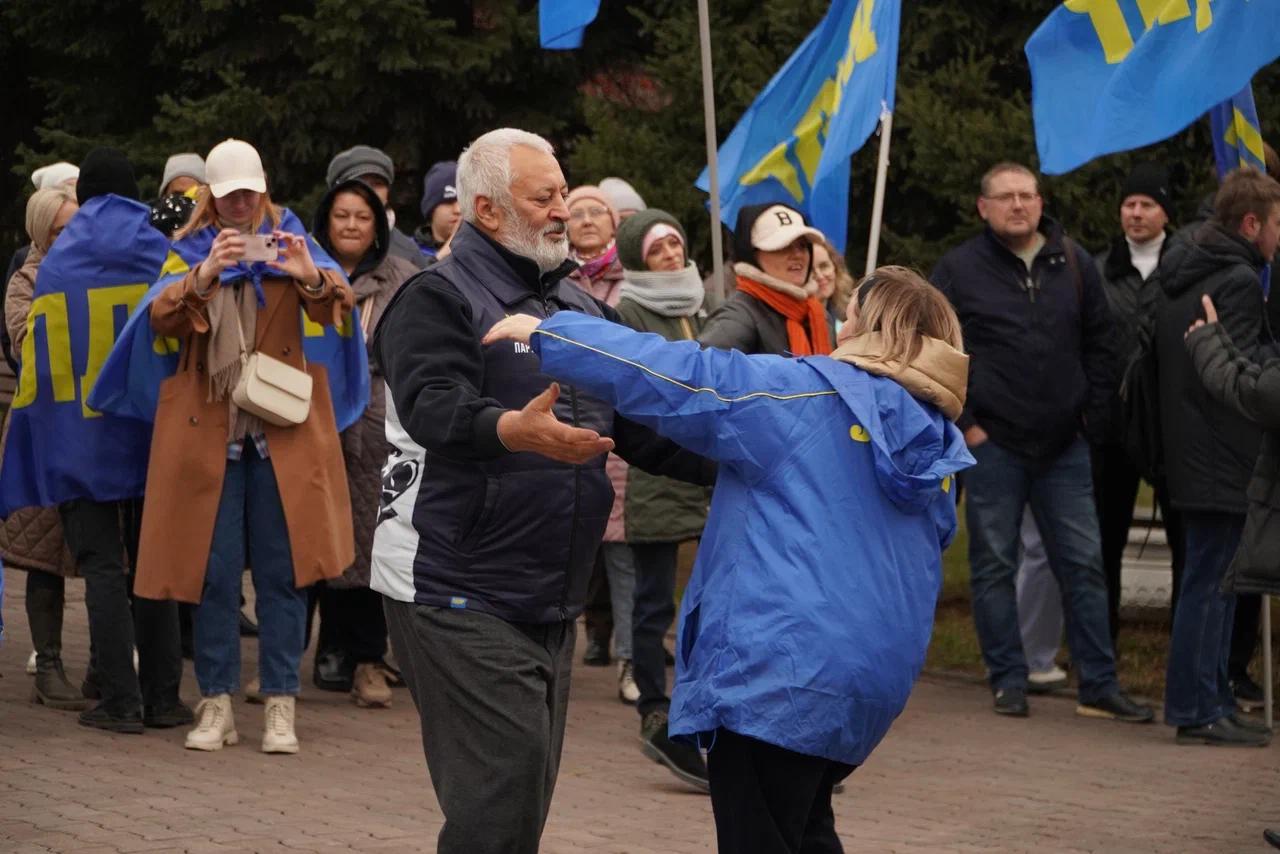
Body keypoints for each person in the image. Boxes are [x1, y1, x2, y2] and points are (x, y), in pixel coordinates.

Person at [483, 265, 974, 854]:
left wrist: (553, 333)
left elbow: (684, 375)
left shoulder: (804, 395)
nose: (838, 326)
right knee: (805, 828)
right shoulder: (942, 445)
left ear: (867, 328)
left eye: (850, 315)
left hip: (776, 671)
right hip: (867, 683)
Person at [369, 127, 712, 854]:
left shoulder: (583, 310)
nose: (564, 210)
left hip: (548, 593)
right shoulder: (435, 296)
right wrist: (509, 430)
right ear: (487, 210)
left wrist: (745, 462)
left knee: (516, 809)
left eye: (564, 192)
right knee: (499, 805)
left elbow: (645, 425)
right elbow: (434, 406)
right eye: (545, 197)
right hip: (453, 586)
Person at [132, 138, 356, 754]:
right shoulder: (187, 250)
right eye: (229, 194)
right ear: (211, 193)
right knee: (215, 577)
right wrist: (206, 273)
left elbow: (339, 309)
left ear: (262, 188)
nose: (240, 205)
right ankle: (217, 703)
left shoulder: (292, 241)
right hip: (213, 435)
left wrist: (309, 275)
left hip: (280, 433)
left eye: (248, 192)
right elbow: (158, 319)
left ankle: (280, 703)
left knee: (285, 576)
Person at [932, 161, 1151, 721]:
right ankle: (1008, 678)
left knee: (1083, 565)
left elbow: (1103, 344)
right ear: (983, 207)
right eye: (1005, 197)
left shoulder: (1073, 262)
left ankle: (1099, 684)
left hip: (1065, 446)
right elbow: (935, 351)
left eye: (1027, 195)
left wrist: (1089, 419)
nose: (1018, 206)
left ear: (1039, 200)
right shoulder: (958, 270)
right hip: (992, 444)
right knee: (993, 565)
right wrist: (967, 426)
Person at [14, 148, 188, 734]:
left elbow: (37, 357)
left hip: (81, 435)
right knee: (153, 560)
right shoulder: (158, 251)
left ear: (83, 195)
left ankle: (119, 699)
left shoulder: (60, 263)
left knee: (103, 567)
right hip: (149, 429)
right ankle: (164, 697)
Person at [1154, 166, 1280, 746]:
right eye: (1278, 223)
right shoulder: (1234, 277)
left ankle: (1212, 699)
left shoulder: (1194, 264)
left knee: (1210, 579)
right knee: (1211, 583)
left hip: (1195, 448)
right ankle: (1197, 706)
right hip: (1223, 452)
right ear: (1252, 223)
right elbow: (1241, 374)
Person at [612, 208, 712, 788]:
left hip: (709, 467)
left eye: (675, 244)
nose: (671, 256)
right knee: (653, 599)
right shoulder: (630, 310)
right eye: (657, 250)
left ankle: (706, 706)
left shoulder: (703, 303)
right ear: (637, 260)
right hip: (659, 467)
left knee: (712, 591)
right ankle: (655, 705)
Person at [309, 177, 417, 707]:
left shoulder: (403, 279)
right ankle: (313, 654)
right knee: (312, 536)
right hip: (311, 415)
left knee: (374, 545)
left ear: (377, 225)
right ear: (326, 220)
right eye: (342, 215)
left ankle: (370, 661)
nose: (351, 225)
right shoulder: (303, 269)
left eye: (362, 216)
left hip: (377, 425)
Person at [1092, 163, 1185, 646]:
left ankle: (1186, 641)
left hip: (1172, 426)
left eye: (1147, 204)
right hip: (1111, 426)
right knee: (1104, 539)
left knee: (1185, 540)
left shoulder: (1186, 269)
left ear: (1165, 212)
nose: (1136, 213)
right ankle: (1101, 643)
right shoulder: (1097, 269)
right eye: (1129, 204)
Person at [0, 186, 84, 710]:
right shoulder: (24, 282)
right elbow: (29, 347)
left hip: (90, 429)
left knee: (103, 553)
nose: (71, 238)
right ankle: (48, 665)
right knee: (44, 555)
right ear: (39, 234)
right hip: (40, 432)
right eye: (60, 231)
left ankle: (107, 665)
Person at [565, 184, 633, 673]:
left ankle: (631, 655)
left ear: (614, 224)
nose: (587, 219)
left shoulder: (632, 281)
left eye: (597, 212)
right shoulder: (554, 279)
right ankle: (578, 638)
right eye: (577, 212)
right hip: (566, 420)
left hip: (621, 426)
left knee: (625, 556)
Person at [699, 203, 832, 358]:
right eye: (783, 245)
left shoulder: (817, 314)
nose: (797, 254)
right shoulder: (737, 317)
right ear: (752, 255)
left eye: (802, 245)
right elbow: (704, 373)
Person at [326, 145, 426, 271]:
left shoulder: (408, 253)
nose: (369, 191)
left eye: (377, 184)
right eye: (360, 183)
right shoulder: (310, 250)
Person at [149, 153, 205, 238]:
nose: (184, 202)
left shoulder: (218, 237)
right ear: (164, 194)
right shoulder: (147, 230)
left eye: (193, 194)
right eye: (178, 195)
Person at [415, 160, 459, 262]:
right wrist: (442, 256)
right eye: (449, 202)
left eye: (463, 201)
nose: (458, 210)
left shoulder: (482, 250)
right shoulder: (408, 250)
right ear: (431, 209)